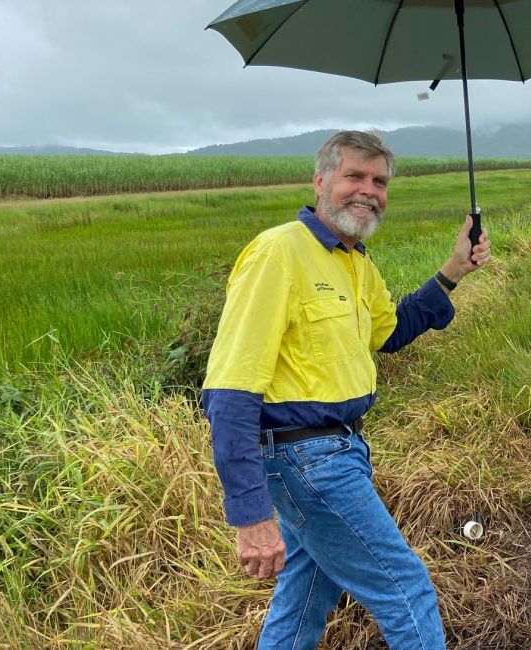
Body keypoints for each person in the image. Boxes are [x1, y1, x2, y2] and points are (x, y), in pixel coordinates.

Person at [201, 130, 490, 649]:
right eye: (354, 175)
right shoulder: (279, 253)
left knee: (306, 593)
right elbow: (230, 391)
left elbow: (391, 331)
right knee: (406, 590)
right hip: (305, 459)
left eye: (378, 181)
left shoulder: (355, 261)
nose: (368, 190)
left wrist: (453, 271)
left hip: (341, 452)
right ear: (320, 180)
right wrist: (250, 514)